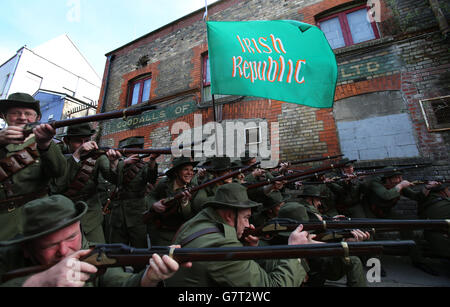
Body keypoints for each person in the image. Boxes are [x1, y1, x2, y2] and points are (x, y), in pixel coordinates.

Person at [0, 195, 188, 287]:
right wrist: (40, 282)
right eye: (50, 245)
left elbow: (120, 282)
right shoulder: (7, 260)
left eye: (72, 237)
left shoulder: (93, 255)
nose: (65, 251)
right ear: (26, 248)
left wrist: (148, 278)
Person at [165, 183, 310, 287]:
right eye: (246, 218)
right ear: (229, 215)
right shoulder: (222, 245)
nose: (248, 225)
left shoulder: (197, 221)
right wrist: (294, 250)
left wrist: (249, 248)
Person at [0, 93, 67, 241]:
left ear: (37, 118)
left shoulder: (46, 141)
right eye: (15, 113)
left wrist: (45, 145)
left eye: (28, 114)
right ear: (4, 116)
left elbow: (59, 172)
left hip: (37, 217)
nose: (22, 117)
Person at [277, 185, 369, 287]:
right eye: (317, 200)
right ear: (309, 199)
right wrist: (344, 244)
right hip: (307, 272)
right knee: (353, 260)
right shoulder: (303, 210)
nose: (319, 203)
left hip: (308, 265)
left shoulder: (300, 210)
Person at [50, 123, 121, 243]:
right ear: (67, 141)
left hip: (90, 216)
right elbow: (58, 185)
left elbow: (115, 179)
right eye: (78, 141)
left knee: (97, 254)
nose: (85, 145)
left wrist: (114, 164)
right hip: (61, 215)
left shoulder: (97, 156)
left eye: (87, 140)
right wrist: (77, 155)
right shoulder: (56, 155)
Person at [107, 136, 159, 249]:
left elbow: (151, 178)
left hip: (137, 214)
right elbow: (112, 179)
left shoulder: (144, 166)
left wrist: (152, 160)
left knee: (139, 248)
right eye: (131, 150)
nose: (134, 153)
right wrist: (124, 163)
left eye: (136, 150)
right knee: (116, 249)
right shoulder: (117, 164)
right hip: (118, 214)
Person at [146, 156, 199, 246]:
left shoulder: (194, 188)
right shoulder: (164, 183)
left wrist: (185, 202)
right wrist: (154, 205)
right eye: (185, 169)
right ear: (176, 172)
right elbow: (150, 196)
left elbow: (188, 215)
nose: (190, 173)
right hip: (159, 231)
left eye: (191, 170)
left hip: (179, 233)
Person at [417, 182, 450, 259]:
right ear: (442, 192)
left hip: (433, 242)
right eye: (449, 190)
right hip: (444, 246)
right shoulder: (445, 205)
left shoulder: (426, 202)